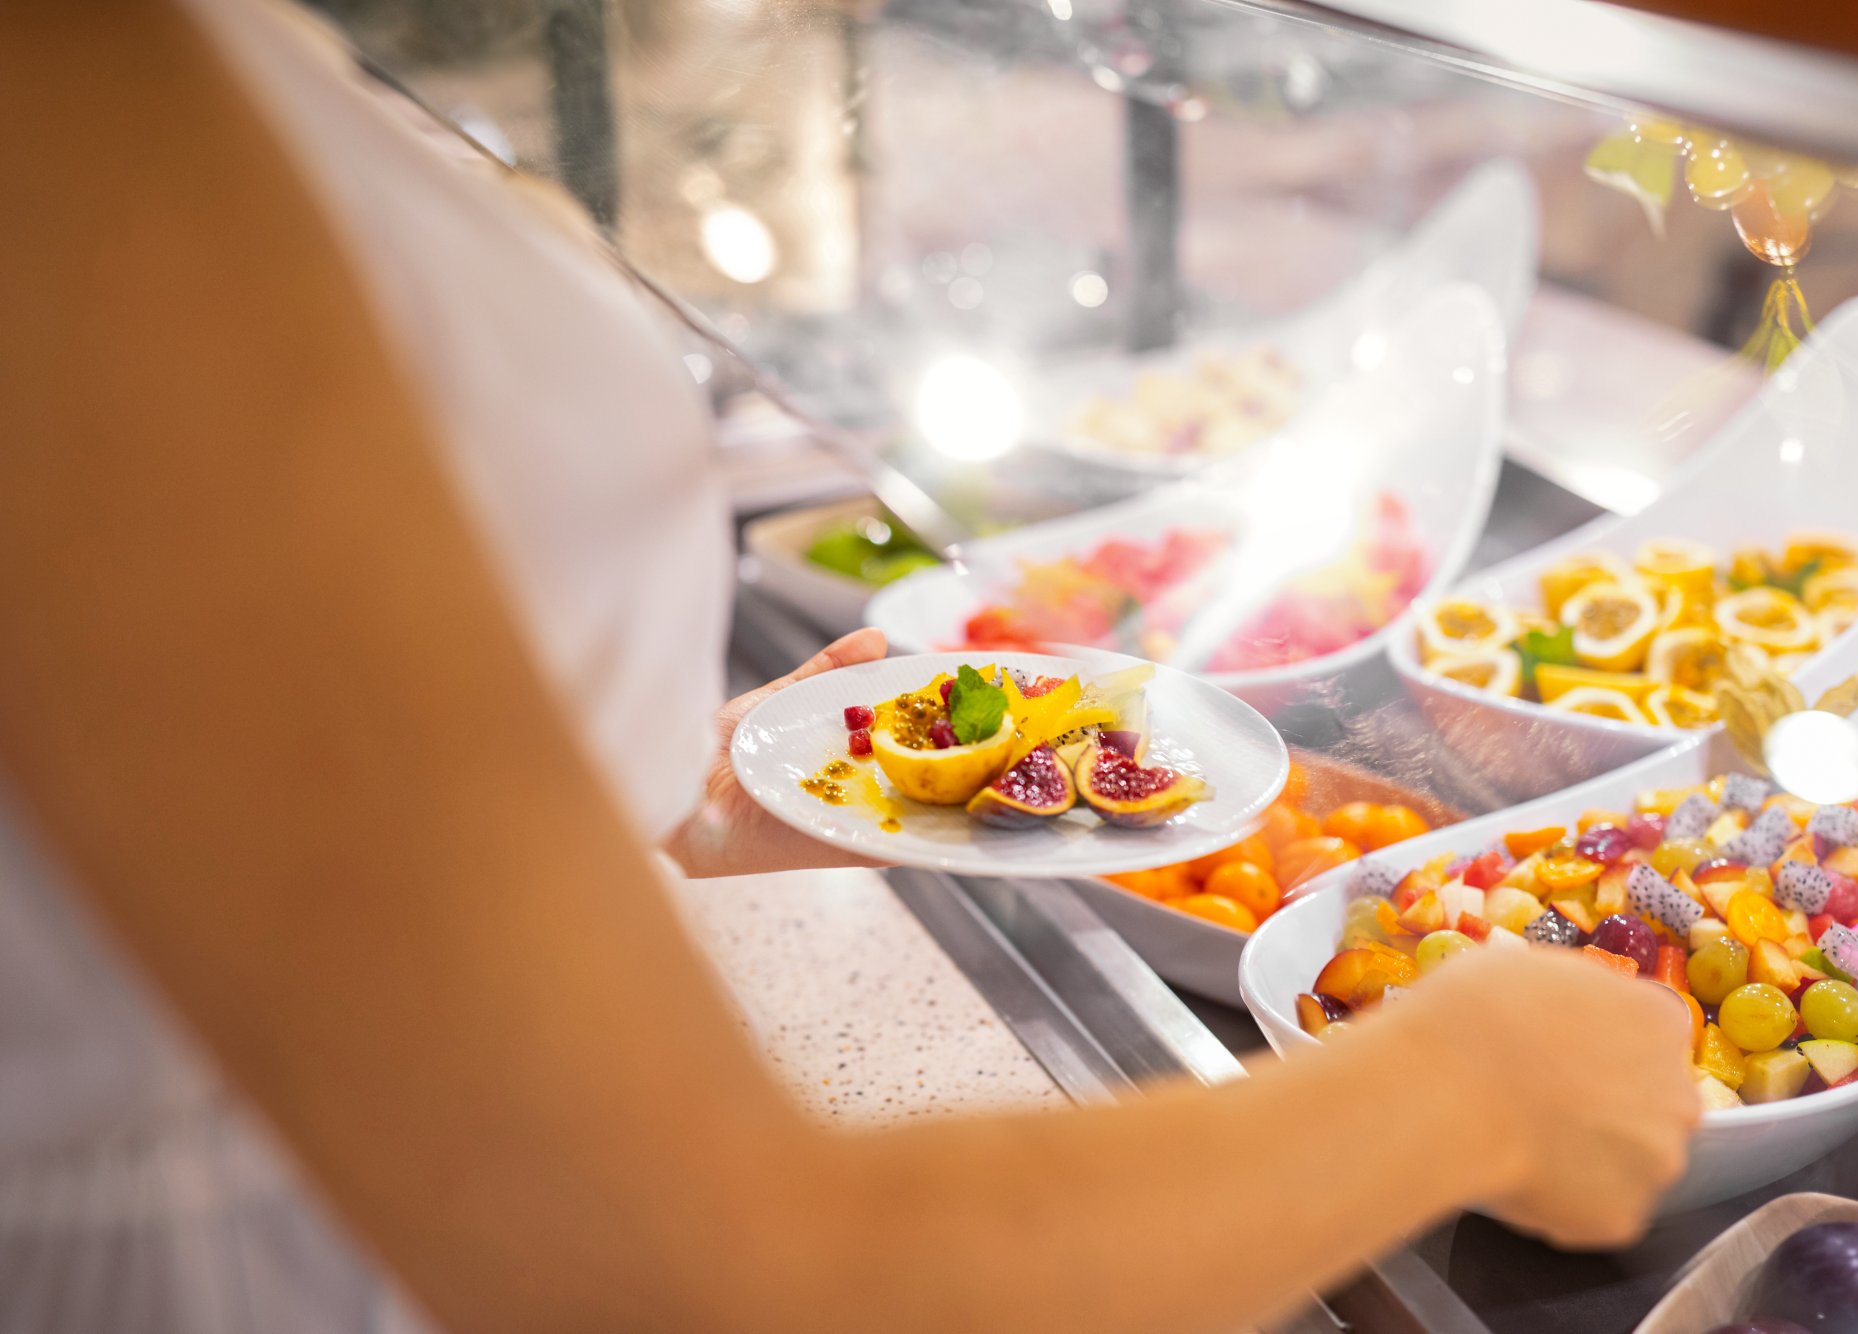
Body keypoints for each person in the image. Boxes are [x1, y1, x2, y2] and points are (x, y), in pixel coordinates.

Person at [0, 2, 1700, 1331]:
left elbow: (207, 802)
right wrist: (1470, 1088)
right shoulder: (71, 107)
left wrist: (659, 802)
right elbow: (695, 1273)